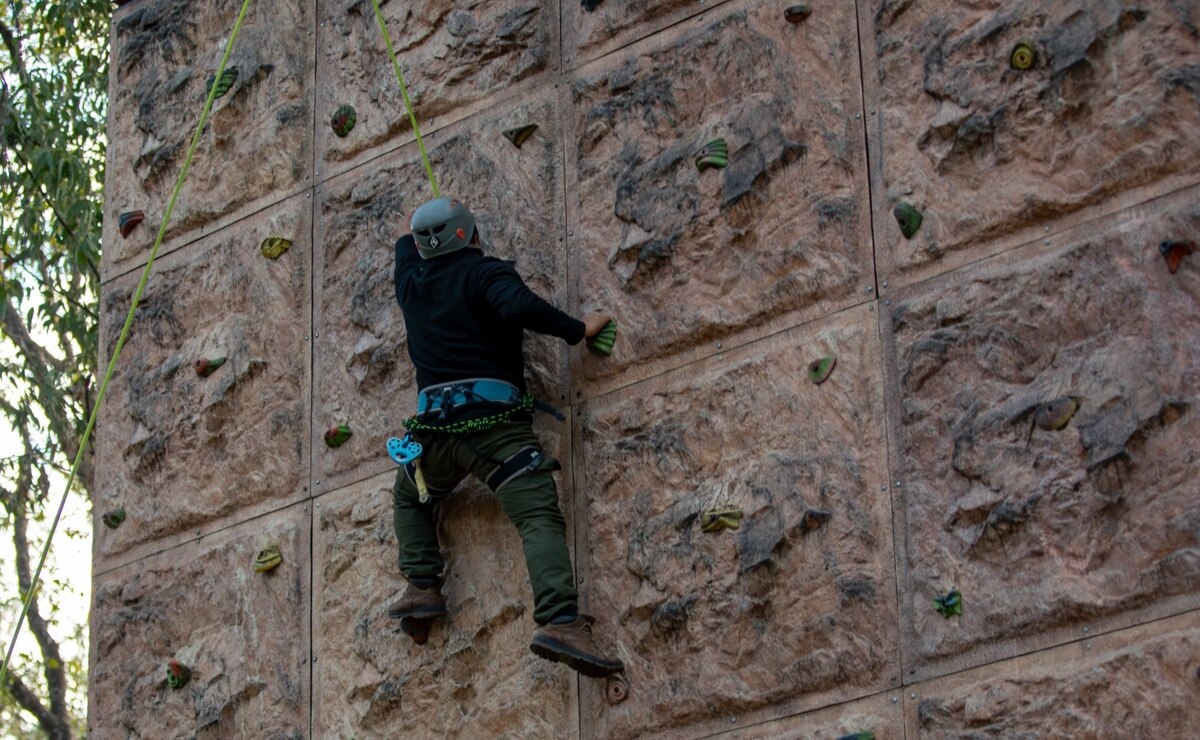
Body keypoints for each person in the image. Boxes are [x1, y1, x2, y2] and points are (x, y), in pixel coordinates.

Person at [386, 196, 624, 678]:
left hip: (433, 435)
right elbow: (517, 305)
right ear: (471, 236)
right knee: (536, 513)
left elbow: (406, 245)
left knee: (410, 496)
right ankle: (560, 621)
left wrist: (419, 229)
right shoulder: (485, 273)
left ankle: (422, 588)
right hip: (495, 430)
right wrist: (579, 329)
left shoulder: (410, 283)